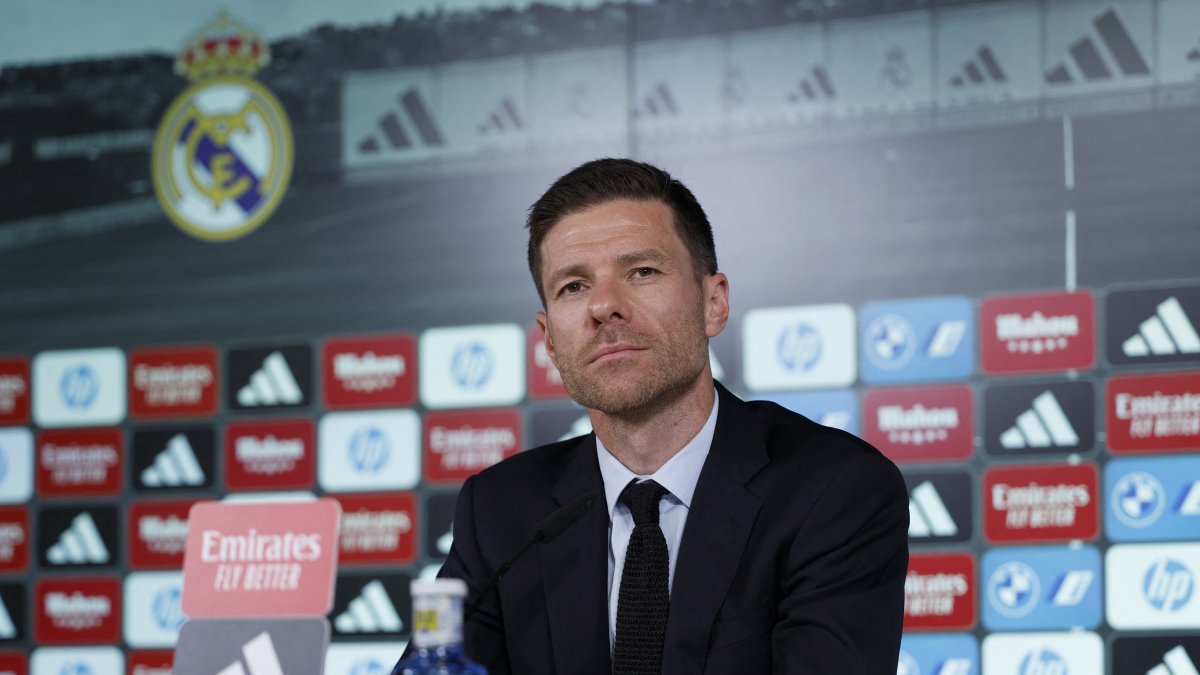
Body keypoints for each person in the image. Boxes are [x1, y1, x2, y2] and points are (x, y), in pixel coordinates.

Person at [435, 158, 908, 674]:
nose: (604, 306)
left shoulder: (834, 489)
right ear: (549, 339)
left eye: (642, 272)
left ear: (714, 303)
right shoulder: (502, 512)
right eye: (574, 286)